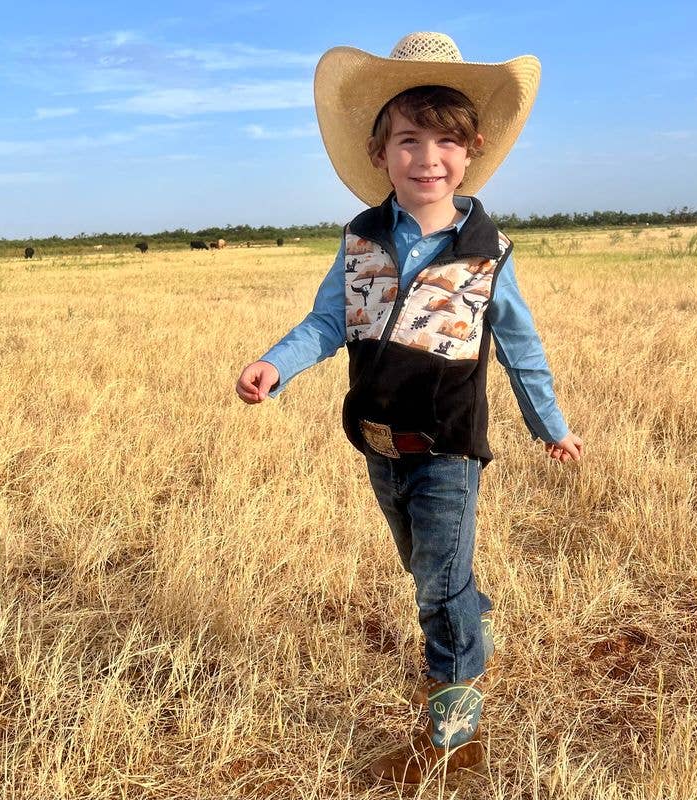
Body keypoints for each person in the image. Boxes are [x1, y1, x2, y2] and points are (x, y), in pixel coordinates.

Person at [236, 31, 583, 785]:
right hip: (379, 444)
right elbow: (328, 321)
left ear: (472, 150)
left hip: (449, 447)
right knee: (428, 569)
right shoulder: (361, 240)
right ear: (380, 152)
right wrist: (275, 364)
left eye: (446, 141)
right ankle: (468, 623)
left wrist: (551, 427)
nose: (428, 158)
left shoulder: (488, 251)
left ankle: (454, 737)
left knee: (438, 587)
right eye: (409, 140)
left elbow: (521, 348)